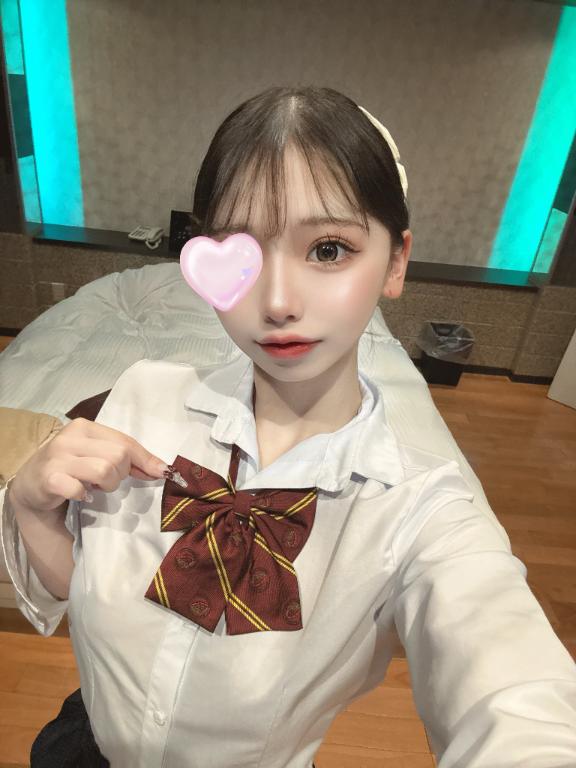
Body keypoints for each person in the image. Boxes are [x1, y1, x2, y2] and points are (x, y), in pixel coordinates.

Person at [2, 86, 576, 768]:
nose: (276, 302)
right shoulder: (137, 398)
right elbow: (78, 588)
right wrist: (31, 508)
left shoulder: (421, 507)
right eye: (239, 250)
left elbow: (512, 690)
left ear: (395, 262)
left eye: (329, 249)